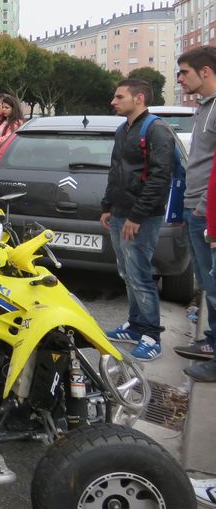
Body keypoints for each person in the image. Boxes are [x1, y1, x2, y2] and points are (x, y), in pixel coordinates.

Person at [101, 79, 176, 362]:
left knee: (141, 275)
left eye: (119, 97)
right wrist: (108, 206)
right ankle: (134, 326)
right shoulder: (124, 129)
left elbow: (160, 178)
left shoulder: (157, 130)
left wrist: (137, 216)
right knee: (127, 272)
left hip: (142, 217)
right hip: (120, 212)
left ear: (139, 98)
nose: (113, 101)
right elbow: (115, 170)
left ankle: (151, 336)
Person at [176, 46, 216, 380]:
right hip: (196, 208)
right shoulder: (203, 108)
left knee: (214, 286)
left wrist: (203, 207)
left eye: (184, 72)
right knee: (207, 284)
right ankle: (212, 342)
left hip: (206, 212)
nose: (179, 79)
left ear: (205, 72)